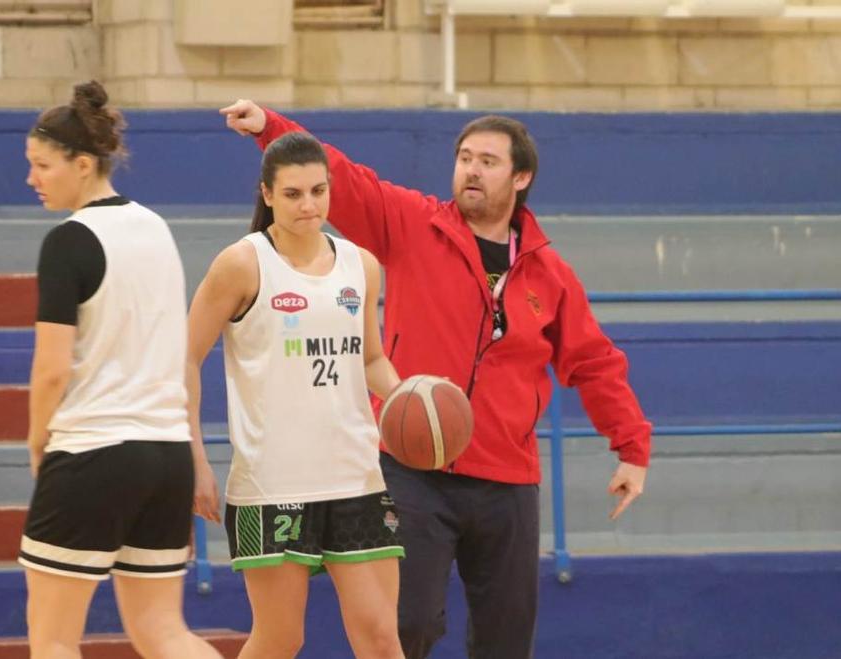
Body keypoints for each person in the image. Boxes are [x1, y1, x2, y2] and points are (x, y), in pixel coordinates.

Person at [219, 100, 653, 659]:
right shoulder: (412, 223)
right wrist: (270, 128)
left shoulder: (549, 273)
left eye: (489, 161)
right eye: (465, 158)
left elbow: (593, 362)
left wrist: (631, 446)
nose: (471, 169)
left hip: (508, 478)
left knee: (505, 641)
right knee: (407, 626)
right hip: (412, 471)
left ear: (521, 178)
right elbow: (346, 180)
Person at [19, 80, 220, 659]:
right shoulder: (156, 228)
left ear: (83, 165)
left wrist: (39, 444)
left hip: (93, 449)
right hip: (165, 454)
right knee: (164, 632)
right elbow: (176, 351)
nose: (32, 179)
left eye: (42, 165)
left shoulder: (68, 241)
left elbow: (51, 369)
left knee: (53, 638)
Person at [186, 131, 406, 659]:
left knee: (380, 638)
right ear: (266, 195)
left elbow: (370, 358)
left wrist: (410, 402)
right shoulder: (241, 264)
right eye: (293, 194)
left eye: (318, 191)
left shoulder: (362, 265)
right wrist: (194, 459)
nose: (309, 205)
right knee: (281, 640)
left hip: (355, 475)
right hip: (271, 483)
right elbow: (185, 360)